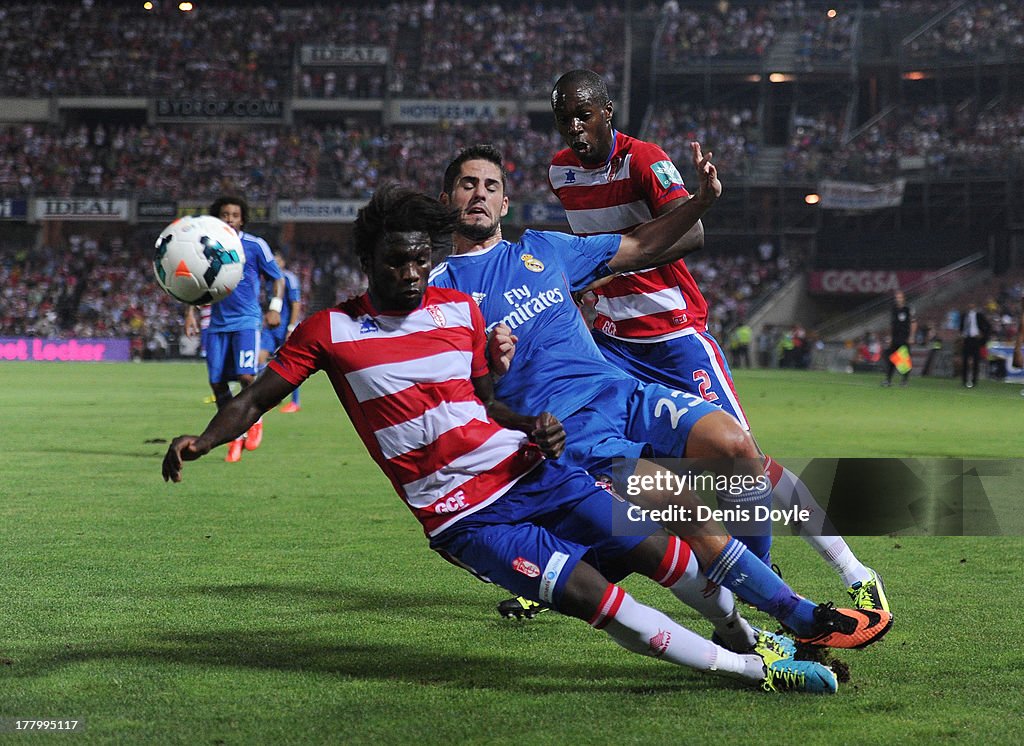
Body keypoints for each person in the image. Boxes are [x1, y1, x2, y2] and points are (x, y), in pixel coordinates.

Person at [162, 186, 841, 694]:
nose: (409, 274)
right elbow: (256, 397)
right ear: (367, 259)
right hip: (464, 515)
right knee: (599, 602)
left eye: (420, 262)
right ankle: (751, 669)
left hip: (529, 470)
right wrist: (202, 437)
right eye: (396, 262)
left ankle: (778, 627)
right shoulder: (329, 331)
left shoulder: (459, 311)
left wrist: (532, 424)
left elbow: (490, 401)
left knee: (661, 547)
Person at [431, 145, 892, 649]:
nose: (479, 194)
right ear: (446, 198)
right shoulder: (442, 293)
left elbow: (640, 246)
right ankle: (797, 615)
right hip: (572, 431)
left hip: (624, 393)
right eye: (468, 185)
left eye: (490, 186)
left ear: (504, 204)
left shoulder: (544, 249)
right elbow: (458, 399)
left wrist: (698, 203)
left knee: (735, 447)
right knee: (682, 504)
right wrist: (493, 367)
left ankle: (754, 580)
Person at [544, 69, 887, 611]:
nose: (574, 129)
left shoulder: (643, 159)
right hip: (612, 346)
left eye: (583, 115)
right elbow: (592, 249)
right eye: (564, 119)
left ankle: (853, 570)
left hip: (674, 337)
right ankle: (564, 575)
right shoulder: (561, 171)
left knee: (747, 461)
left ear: (608, 111)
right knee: (611, 469)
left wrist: (629, 255)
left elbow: (695, 233)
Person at [184, 196, 284, 462]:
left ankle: (256, 418)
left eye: (235, 215)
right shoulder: (206, 247)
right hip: (217, 323)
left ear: (242, 219)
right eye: (225, 214)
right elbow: (194, 282)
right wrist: (190, 312)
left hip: (246, 320)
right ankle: (233, 435)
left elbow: (278, 278)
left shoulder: (254, 245)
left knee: (246, 377)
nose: (229, 219)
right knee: (217, 383)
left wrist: (274, 307)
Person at [259, 251, 303, 413]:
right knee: (260, 359)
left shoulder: (289, 278)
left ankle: (295, 402)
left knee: (289, 365)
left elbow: (296, 304)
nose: (275, 264)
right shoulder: (269, 280)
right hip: (271, 328)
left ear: (283, 262)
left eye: (277, 261)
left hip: (285, 328)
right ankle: (272, 396)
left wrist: (291, 327)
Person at [882, 290, 915, 387]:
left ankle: (904, 381)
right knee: (892, 358)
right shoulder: (894, 309)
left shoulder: (908, 309)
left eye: (900, 297)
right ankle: (888, 380)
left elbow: (913, 323)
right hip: (895, 338)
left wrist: (911, 336)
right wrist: (890, 337)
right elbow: (892, 324)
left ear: (903, 298)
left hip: (904, 338)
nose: (898, 299)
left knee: (904, 359)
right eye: (897, 297)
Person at [959, 301, 990, 388]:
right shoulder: (964, 315)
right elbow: (961, 327)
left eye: (972, 304)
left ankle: (974, 380)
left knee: (976, 360)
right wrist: (961, 335)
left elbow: (988, 326)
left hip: (976, 340)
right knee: (965, 360)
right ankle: (964, 380)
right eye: (969, 304)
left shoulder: (979, 315)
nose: (970, 305)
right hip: (966, 339)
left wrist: (983, 335)